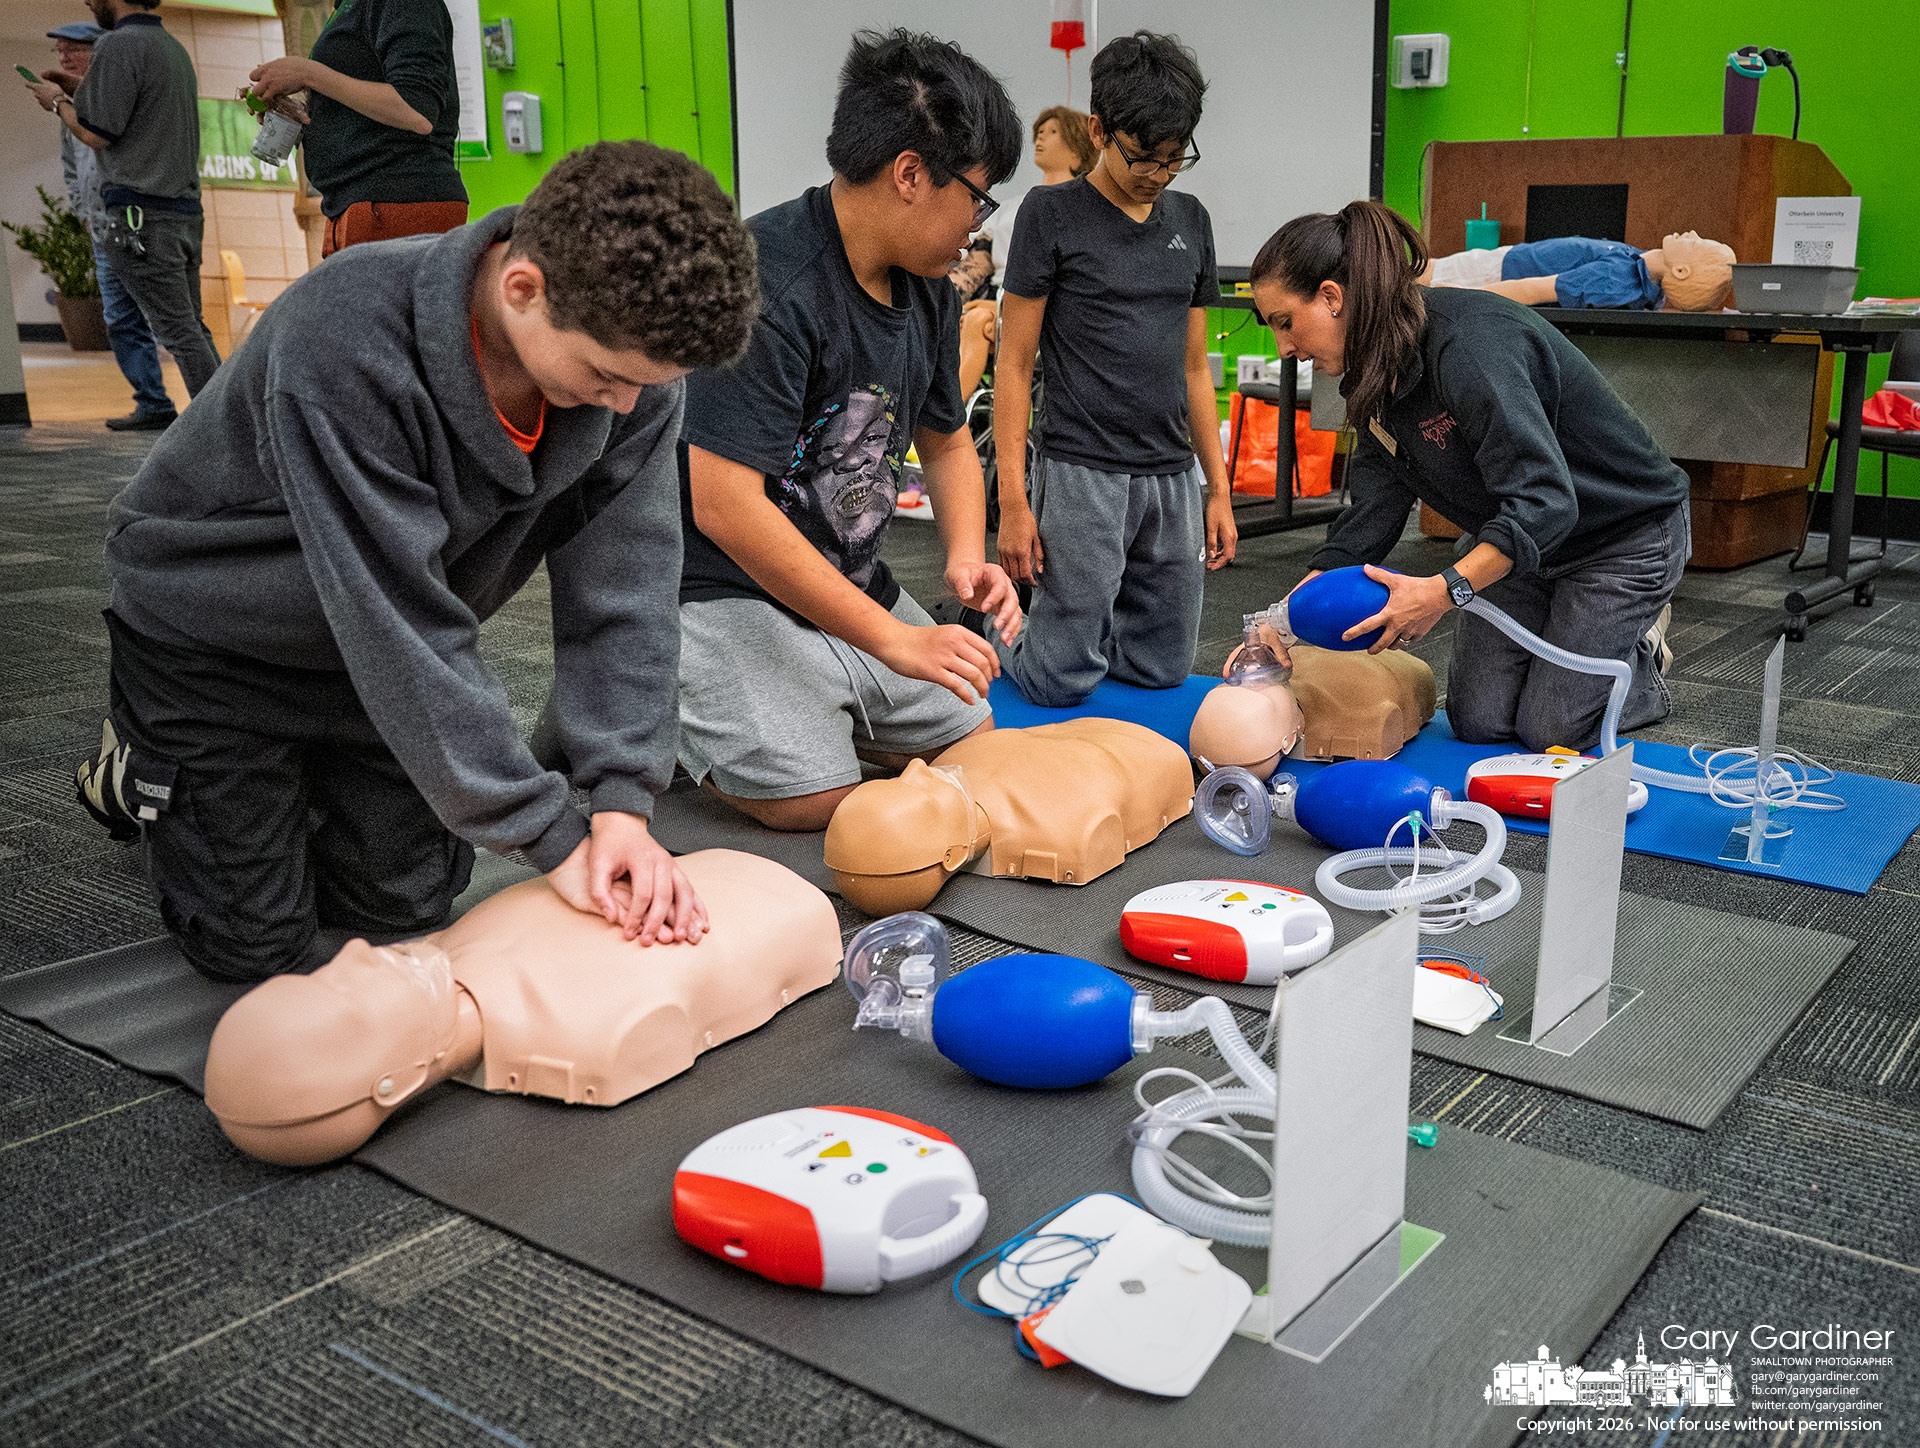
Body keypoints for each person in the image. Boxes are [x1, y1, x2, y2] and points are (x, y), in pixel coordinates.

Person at [77, 142, 759, 984]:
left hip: (377, 654)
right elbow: (397, 619)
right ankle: (131, 769)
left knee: (404, 908)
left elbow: (626, 592)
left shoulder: (638, 377)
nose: (627, 405)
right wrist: (551, 834)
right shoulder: (346, 333)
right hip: (217, 643)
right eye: (606, 377)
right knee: (252, 948)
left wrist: (621, 801)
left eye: (645, 386)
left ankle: (291, 791)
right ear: (524, 290)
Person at [675, 29, 1024, 833]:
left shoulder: (928, 285)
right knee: (813, 802)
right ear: (911, 175)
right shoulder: (770, 281)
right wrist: (893, 643)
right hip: (717, 587)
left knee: (970, 731)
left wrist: (966, 560)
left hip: (843, 577)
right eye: (978, 196)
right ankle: (652, 696)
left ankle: (810, 699)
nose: (978, 223)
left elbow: (941, 439)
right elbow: (724, 506)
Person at [1248, 200, 1692, 754]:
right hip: (1518, 543)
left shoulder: (1470, 347)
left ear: (1333, 298)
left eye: (1285, 323)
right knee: (1478, 722)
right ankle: (1578, 647)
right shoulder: (1372, 375)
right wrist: (1279, 620)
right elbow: (1368, 517)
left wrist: (1442, 591)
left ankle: (1640, 660)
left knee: (1551, 731)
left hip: (1621, 538)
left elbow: (1547, 502)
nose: (1283, 348)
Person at [993, 31, 1237, 708]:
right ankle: (992, 627)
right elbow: (1012, 366)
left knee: (1158, 670)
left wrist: (1216, 488)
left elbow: (1195, 368)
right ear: (1099, 130)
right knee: (1058, 680)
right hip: (1082, 471)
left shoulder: (1191, 219)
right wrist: (1014, 504)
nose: (1158, 174)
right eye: (1142, 158)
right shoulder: (1051, 214)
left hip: (1169, 476)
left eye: (1174, 159)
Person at [27, 0, 223, 399]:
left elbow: (95, 133)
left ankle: (225, 432)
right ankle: (229, 422)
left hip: (141, 216)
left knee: (179, 334)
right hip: (180, 211)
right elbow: (136, 110)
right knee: (190, 328)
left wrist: (56, 102)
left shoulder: (118, 44)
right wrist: (79, 91)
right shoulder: (170, 47)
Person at [244, 0, 469, 257]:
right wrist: (303, 109)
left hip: (393, 201)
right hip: (360, 205)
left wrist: (308, 73)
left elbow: (416, 109)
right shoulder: (350, 7)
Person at [35, 20, 174, 430]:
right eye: (59, 51)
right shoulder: (72, 108)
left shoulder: (116, 95)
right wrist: (82, 209)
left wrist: (63, 102)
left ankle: (212, 407)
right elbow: (71, 166)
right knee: (119, 318)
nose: (63, 58)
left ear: (99, 53)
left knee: (172, 320)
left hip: (140, 220)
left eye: (72, 50)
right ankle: (153, 403)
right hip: (101, 226)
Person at [1421, 231, 1736, 312]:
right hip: (1506, 260)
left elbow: (1531, 292)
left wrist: (1445, 294)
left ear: (1680, 270)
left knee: (1422, 274)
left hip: (1499, 274)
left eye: (1697, 244)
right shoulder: (1638, 264)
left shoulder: (1616, 281)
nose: (1692, 234)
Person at [1030, 104, 1096, 185]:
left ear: (1076, 150)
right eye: (1041, 131)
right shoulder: (1029, 196)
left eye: (1053, 131)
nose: (1040, 136)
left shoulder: (1076, 196)